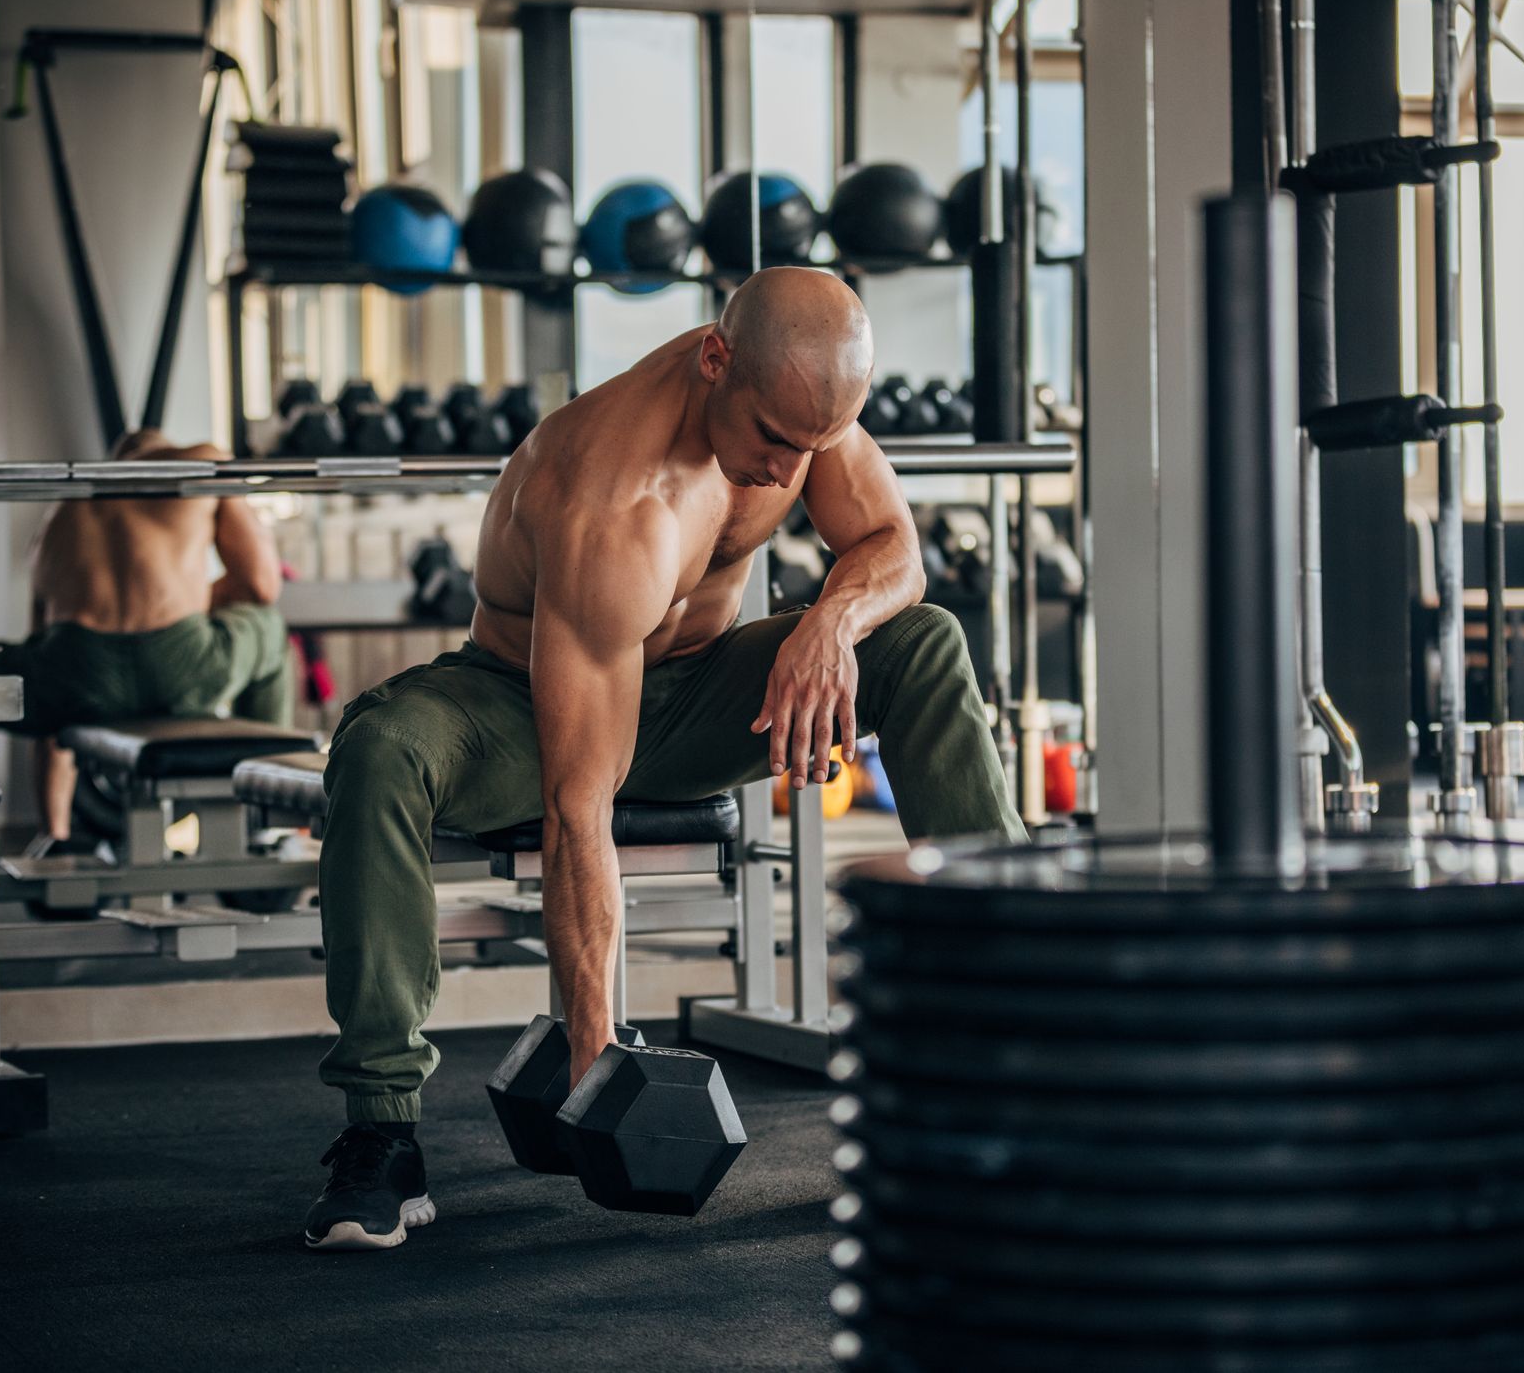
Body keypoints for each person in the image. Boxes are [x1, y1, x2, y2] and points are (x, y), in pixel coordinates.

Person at [303, 268, 1023, 1251]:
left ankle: (1032, 1039)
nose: (786, 474)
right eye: (774, 439)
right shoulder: (614, 494)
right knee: (381, 749)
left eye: (812, 450)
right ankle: (380, 1132)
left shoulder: (802, 402)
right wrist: (597, 1052)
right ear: (714, 361)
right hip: (517, 704)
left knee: (926, 639)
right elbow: (578, 805)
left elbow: (893, 542)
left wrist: (830, 623)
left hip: (691, 693)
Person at [0, 429, 290, 851]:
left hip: (78, 674)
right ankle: (266, 812)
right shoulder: (200, 459)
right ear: (161, 446)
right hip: (181, 662)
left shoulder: (59, 516)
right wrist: (197, 603)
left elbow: (48, 665)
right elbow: (262, 585)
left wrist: (53, 829)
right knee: (268, 627)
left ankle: (53, 835)